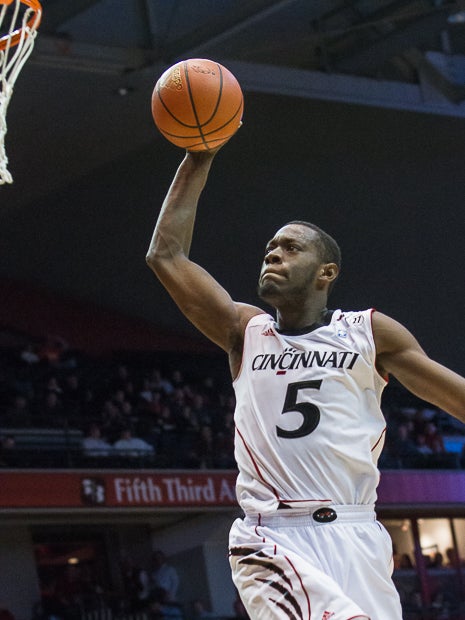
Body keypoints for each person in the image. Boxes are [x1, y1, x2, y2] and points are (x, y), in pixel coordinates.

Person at [145, 144, 465, 620]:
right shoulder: (245, 332)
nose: (273, 253)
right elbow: (165, 255)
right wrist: (199, 156)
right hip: (272, 539)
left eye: (290, 247)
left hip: (358, 536)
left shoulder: (369, 334)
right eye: (270, 248)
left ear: (326, 272)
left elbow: (452, 395)